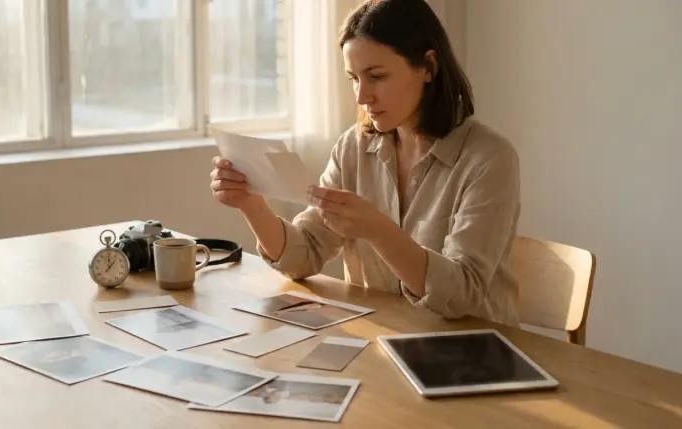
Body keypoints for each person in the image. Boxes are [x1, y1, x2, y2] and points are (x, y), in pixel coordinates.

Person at [209, 0, 521, 327]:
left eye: (377, 76)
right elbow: (305, 255)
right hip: (381, 339)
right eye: (353, 78)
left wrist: (379, 230)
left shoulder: (489, 158)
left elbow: (462, 295)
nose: (362, 97)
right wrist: (252, 205)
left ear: (428, 67)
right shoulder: (354, 147)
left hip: (472, 349)